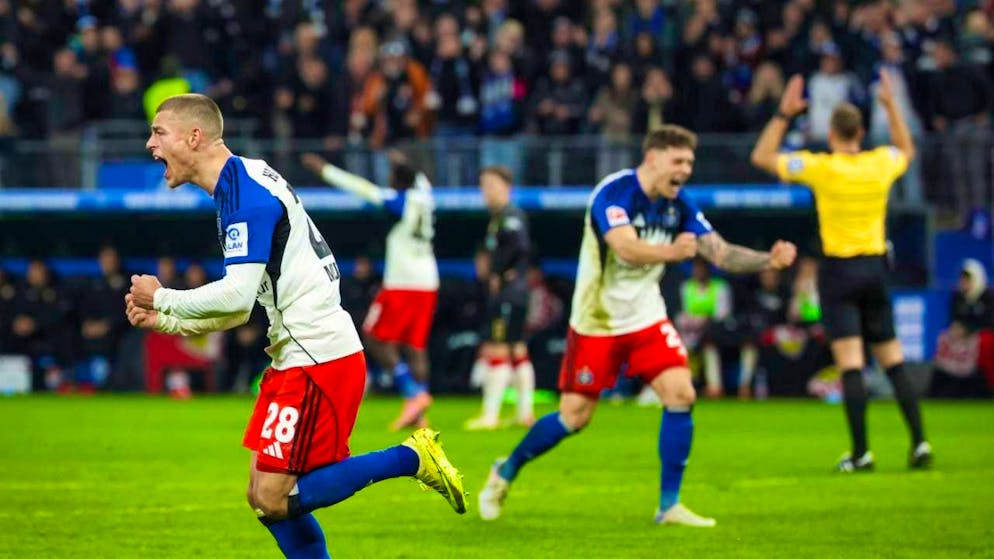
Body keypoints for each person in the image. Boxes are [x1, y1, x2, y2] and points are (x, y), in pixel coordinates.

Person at [126, 94, 465, 559]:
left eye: (158, 132)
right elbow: (241, 307)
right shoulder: (241, 183)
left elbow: (237, 298)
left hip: (317, 355)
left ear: (194, 137)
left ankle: (412, 457)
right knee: (262, 498)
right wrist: (166, 320)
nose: (150, 144)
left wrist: (163, 297)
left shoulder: (246, 196)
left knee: (273, 497)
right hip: (298, 354)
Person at [477, 125, 797, 526]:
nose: (685, 171)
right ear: (653, 158)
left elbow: (720, 252)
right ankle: (505, 469)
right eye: (678, 161)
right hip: (597, 320)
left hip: (646, 316)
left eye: (690, 163)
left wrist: (768, 260)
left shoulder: (679, 203)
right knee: (574, 416)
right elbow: (625, 247)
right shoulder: (614, 193)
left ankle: (669, 506)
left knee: (681, 393)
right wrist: (672, 251)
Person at [750, 70, 932, 472]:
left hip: (838, 271)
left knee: (851, 363)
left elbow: (762, 157)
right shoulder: (879, 163)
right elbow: (907, 149)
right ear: (861, 133)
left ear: (831, 134)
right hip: (875, 268)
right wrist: (891, 106)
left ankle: (862, 453)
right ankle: (920, 444)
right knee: (893, 360)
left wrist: (784, 114)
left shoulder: (823, 167)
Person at [302, 151, 439, 431]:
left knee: (373, 337)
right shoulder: (425, 195)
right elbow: (418, 177)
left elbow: (362, 188)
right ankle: (419, 411)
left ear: (398, 181)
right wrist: (401, 162)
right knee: (416, 345)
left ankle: (412, 393)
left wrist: (326, 170)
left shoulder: (397, 202)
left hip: (402, 282)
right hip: (428, 280)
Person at [465, 165, 535, 430]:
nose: (486, 192)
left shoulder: (510, 216)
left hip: (510, 293)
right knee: (517, 348)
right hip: (516, 293)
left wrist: (501, 272)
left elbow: (521, 247)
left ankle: (490, 415)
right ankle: (524, 413)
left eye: (491, 185)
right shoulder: (499, 218)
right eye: (483, 186)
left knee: (498, 347)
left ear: (507, 187)